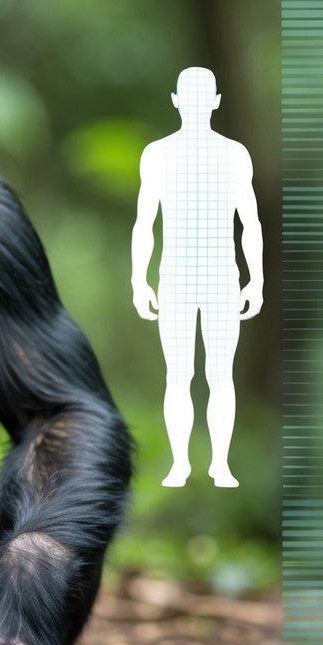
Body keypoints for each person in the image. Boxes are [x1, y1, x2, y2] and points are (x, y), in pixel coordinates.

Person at [131, 67, 263, 488]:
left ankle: (218, 464)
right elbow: (145, 222)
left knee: (216, 375)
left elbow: (250, 222)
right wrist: (140, 279)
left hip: (222, 277)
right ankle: (182, 464)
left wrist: (254, 279)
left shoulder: (234, 155)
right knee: (182, 375)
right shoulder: (158, 154)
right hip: (177, 279)